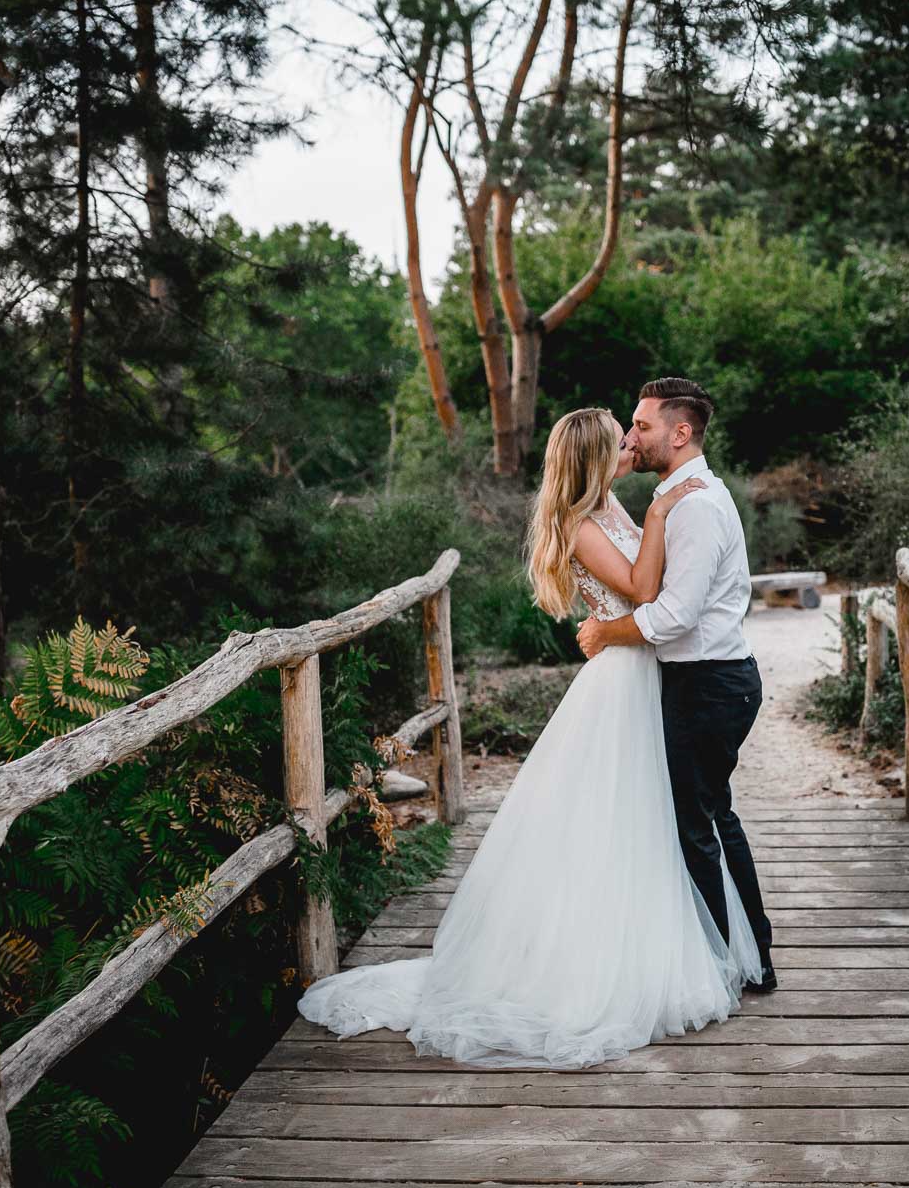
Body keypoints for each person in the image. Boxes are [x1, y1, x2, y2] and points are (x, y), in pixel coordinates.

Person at [296, 406, 764, 1068]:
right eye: (620, 438)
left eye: (633, 434)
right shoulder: (581, 523)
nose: (631, 444)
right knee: (624, 814)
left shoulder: (608, 505)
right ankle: (599, 964)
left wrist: (651, 508)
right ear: (596, 457)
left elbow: (652, 576)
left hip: (646, 674)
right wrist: (661, 512)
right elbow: (642, 587)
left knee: (647, 818)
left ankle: (662, 939)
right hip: (622, 680)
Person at [576, 378, 776, 993]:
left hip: (708, 682)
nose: (633, 438)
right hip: (698, 680)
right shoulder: (673, 499)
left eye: (642, 426)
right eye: (630, 428)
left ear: (680, 432)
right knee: (708, 818)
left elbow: (673, 615)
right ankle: (743, 955)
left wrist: (605, 632)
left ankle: (732, 964)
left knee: (700, 826)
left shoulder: (695, 506)